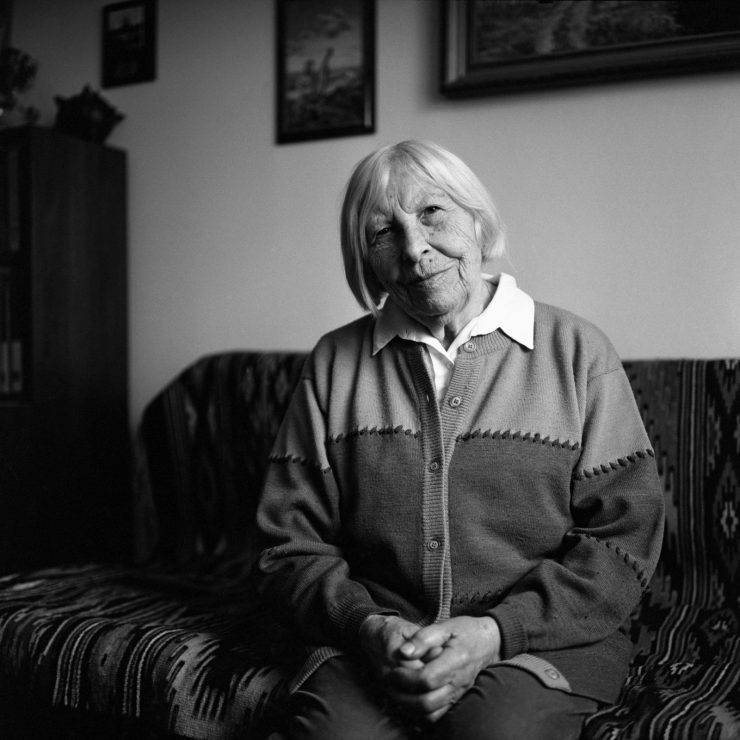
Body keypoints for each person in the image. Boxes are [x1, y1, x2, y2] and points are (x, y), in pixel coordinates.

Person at [256, 140, 664, 739]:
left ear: (477, 219)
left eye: (432, 213)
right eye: (382, 233)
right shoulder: (333, 364)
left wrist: (496, 632)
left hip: (545, 638)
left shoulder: (578, 352)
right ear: (366, 261)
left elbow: (624, 538)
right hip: (377, 641)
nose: (414, 249)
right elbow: (287, 547)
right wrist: (367, 626)